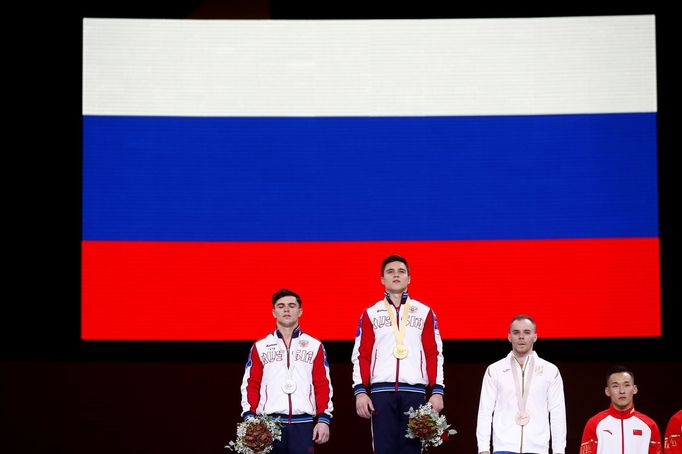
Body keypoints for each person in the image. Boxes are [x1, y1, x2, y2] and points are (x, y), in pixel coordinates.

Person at [351, 254, 445, 454]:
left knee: (412, 450)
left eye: (401, 271)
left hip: (415, 391)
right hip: (380, 393)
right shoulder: (371, 313)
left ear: (409, 278)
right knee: (383, 450)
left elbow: (433, 353)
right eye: (390, 272)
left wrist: (437, 391)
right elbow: (362, 355)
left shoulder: (424, 312)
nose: (396, 275)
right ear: (382, 280)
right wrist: (360, 391)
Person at [240, 288, 333, 454]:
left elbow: (322, 384)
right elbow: (251, 384)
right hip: (269, 425)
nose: (286, 309)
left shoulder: (314, 345)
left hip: (303, 424)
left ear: (300, 311)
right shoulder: (260, 347)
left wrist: (324, 419)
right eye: (281, 306)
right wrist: (249, 417)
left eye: (291, 305)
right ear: (274, 312)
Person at [476, 314, 566, 454]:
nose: (521, 337)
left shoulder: (550, 371)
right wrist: (483, 449)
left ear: (535, 337)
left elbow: (557, 413)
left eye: (527, 332)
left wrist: (559, 451)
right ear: (509, 336)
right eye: (516, 332)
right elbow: (485, 411)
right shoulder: (494, 370)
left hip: (538, 449)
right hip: (503, 448)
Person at [580, 365, 662, 454]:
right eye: (615, 386)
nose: (622, 391)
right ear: (607, 391)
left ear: (635, 389)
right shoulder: (594, 424)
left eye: (626, 385)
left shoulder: (650, 425)